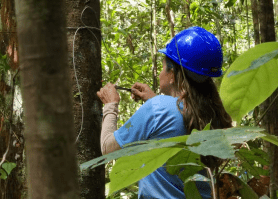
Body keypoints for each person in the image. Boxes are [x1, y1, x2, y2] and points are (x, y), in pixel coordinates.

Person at [97, 26, 233, 199]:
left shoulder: (158, 107)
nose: (161, 72)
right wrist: (152, 99)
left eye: (163, 67)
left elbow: (109, 149)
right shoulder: (212, 113)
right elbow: (176, 118)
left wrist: (111, 105)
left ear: (172, 75)